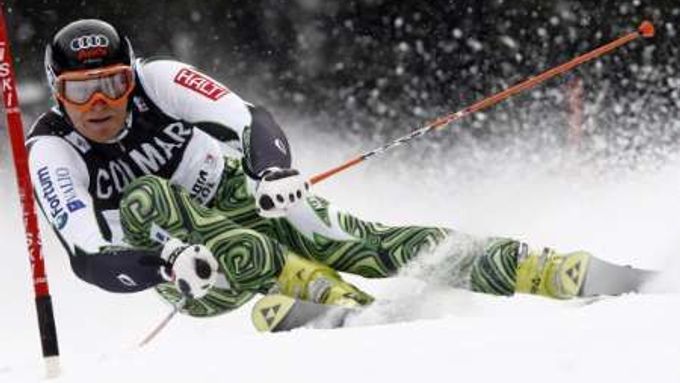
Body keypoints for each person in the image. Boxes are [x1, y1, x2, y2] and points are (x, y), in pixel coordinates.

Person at [28, 19, 650, 319]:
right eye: (84, 91)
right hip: (190, 267)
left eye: (113, 84)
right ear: (59, 93)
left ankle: (543, 268)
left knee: (366, 244)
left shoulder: (159, 80)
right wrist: (162, 264)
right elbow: (87, 255)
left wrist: (274, 173)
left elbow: (250, 117)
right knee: (142, 200)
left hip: (245, 195)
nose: (102, 105)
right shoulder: (52, 150)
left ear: (131, 75)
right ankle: (323, 301)